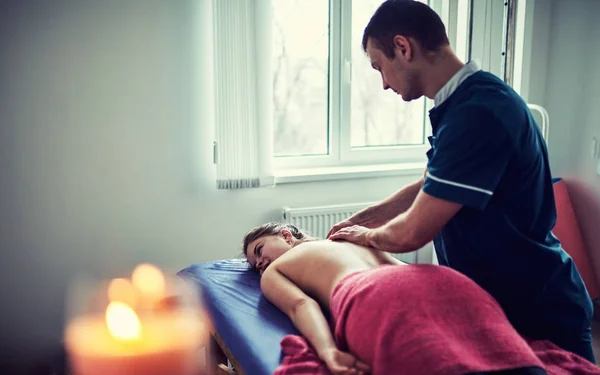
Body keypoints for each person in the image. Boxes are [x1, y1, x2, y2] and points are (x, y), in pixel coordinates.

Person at [326, 0, 595, 363]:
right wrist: (362, 219)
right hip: (503, 305)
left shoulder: (478, 113)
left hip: (540, 309)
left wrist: (366, 237)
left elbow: (412, 234)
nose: (384, 84)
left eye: (380, 68)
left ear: (403, 48)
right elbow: (427, 187)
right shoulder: (461, 105)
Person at [242, 222, 566, 375]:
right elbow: (401, 271)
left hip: (375, 295)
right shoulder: (350, 239)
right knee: (509, 361)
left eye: (259, 251)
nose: (260, 265)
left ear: (286, 235)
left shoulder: (278, 270)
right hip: (441, 282)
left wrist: (328, 352)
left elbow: (302, 305)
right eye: (255, 266)